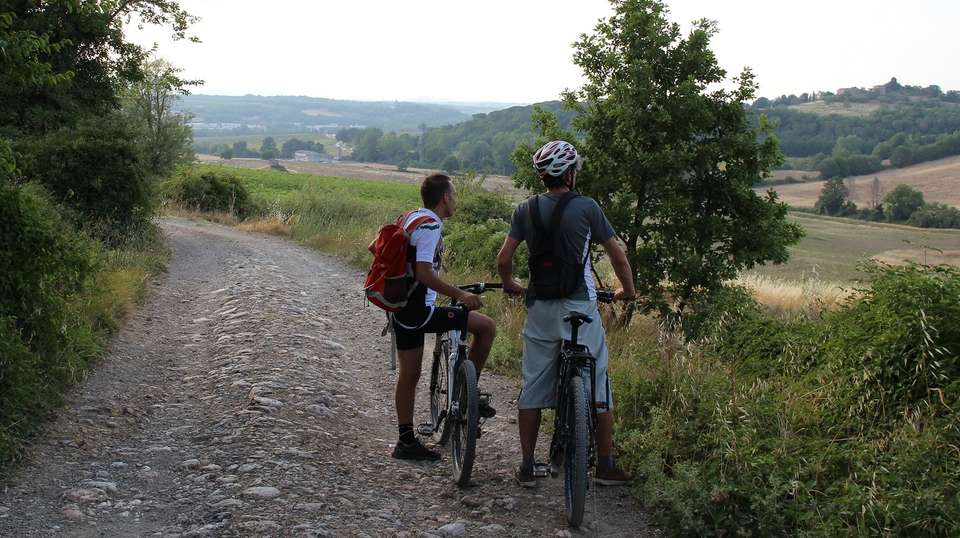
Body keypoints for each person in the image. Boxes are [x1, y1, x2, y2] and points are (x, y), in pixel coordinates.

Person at [496, 140, 636, 487]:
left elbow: (504, 259)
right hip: (580, 307)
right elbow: (618, 256)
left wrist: (511, 283)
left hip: (540, 306)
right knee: (598, 382)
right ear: (569, 174)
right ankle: (605, 465)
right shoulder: (587, 208)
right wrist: (628, 292)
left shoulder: (524, 210)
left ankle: (528, 467)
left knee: (532, 386)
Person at [391, 173, 498, 461]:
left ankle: (405, 441)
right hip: (420, 312)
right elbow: (425, 273)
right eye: (455, 196)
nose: (456, 201)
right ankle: (467, 394)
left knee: (409, 375)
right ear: (445, 199)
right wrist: (461, 295)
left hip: (401, 310)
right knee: (486, 327)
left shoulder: (410, 217)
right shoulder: (430, 225)